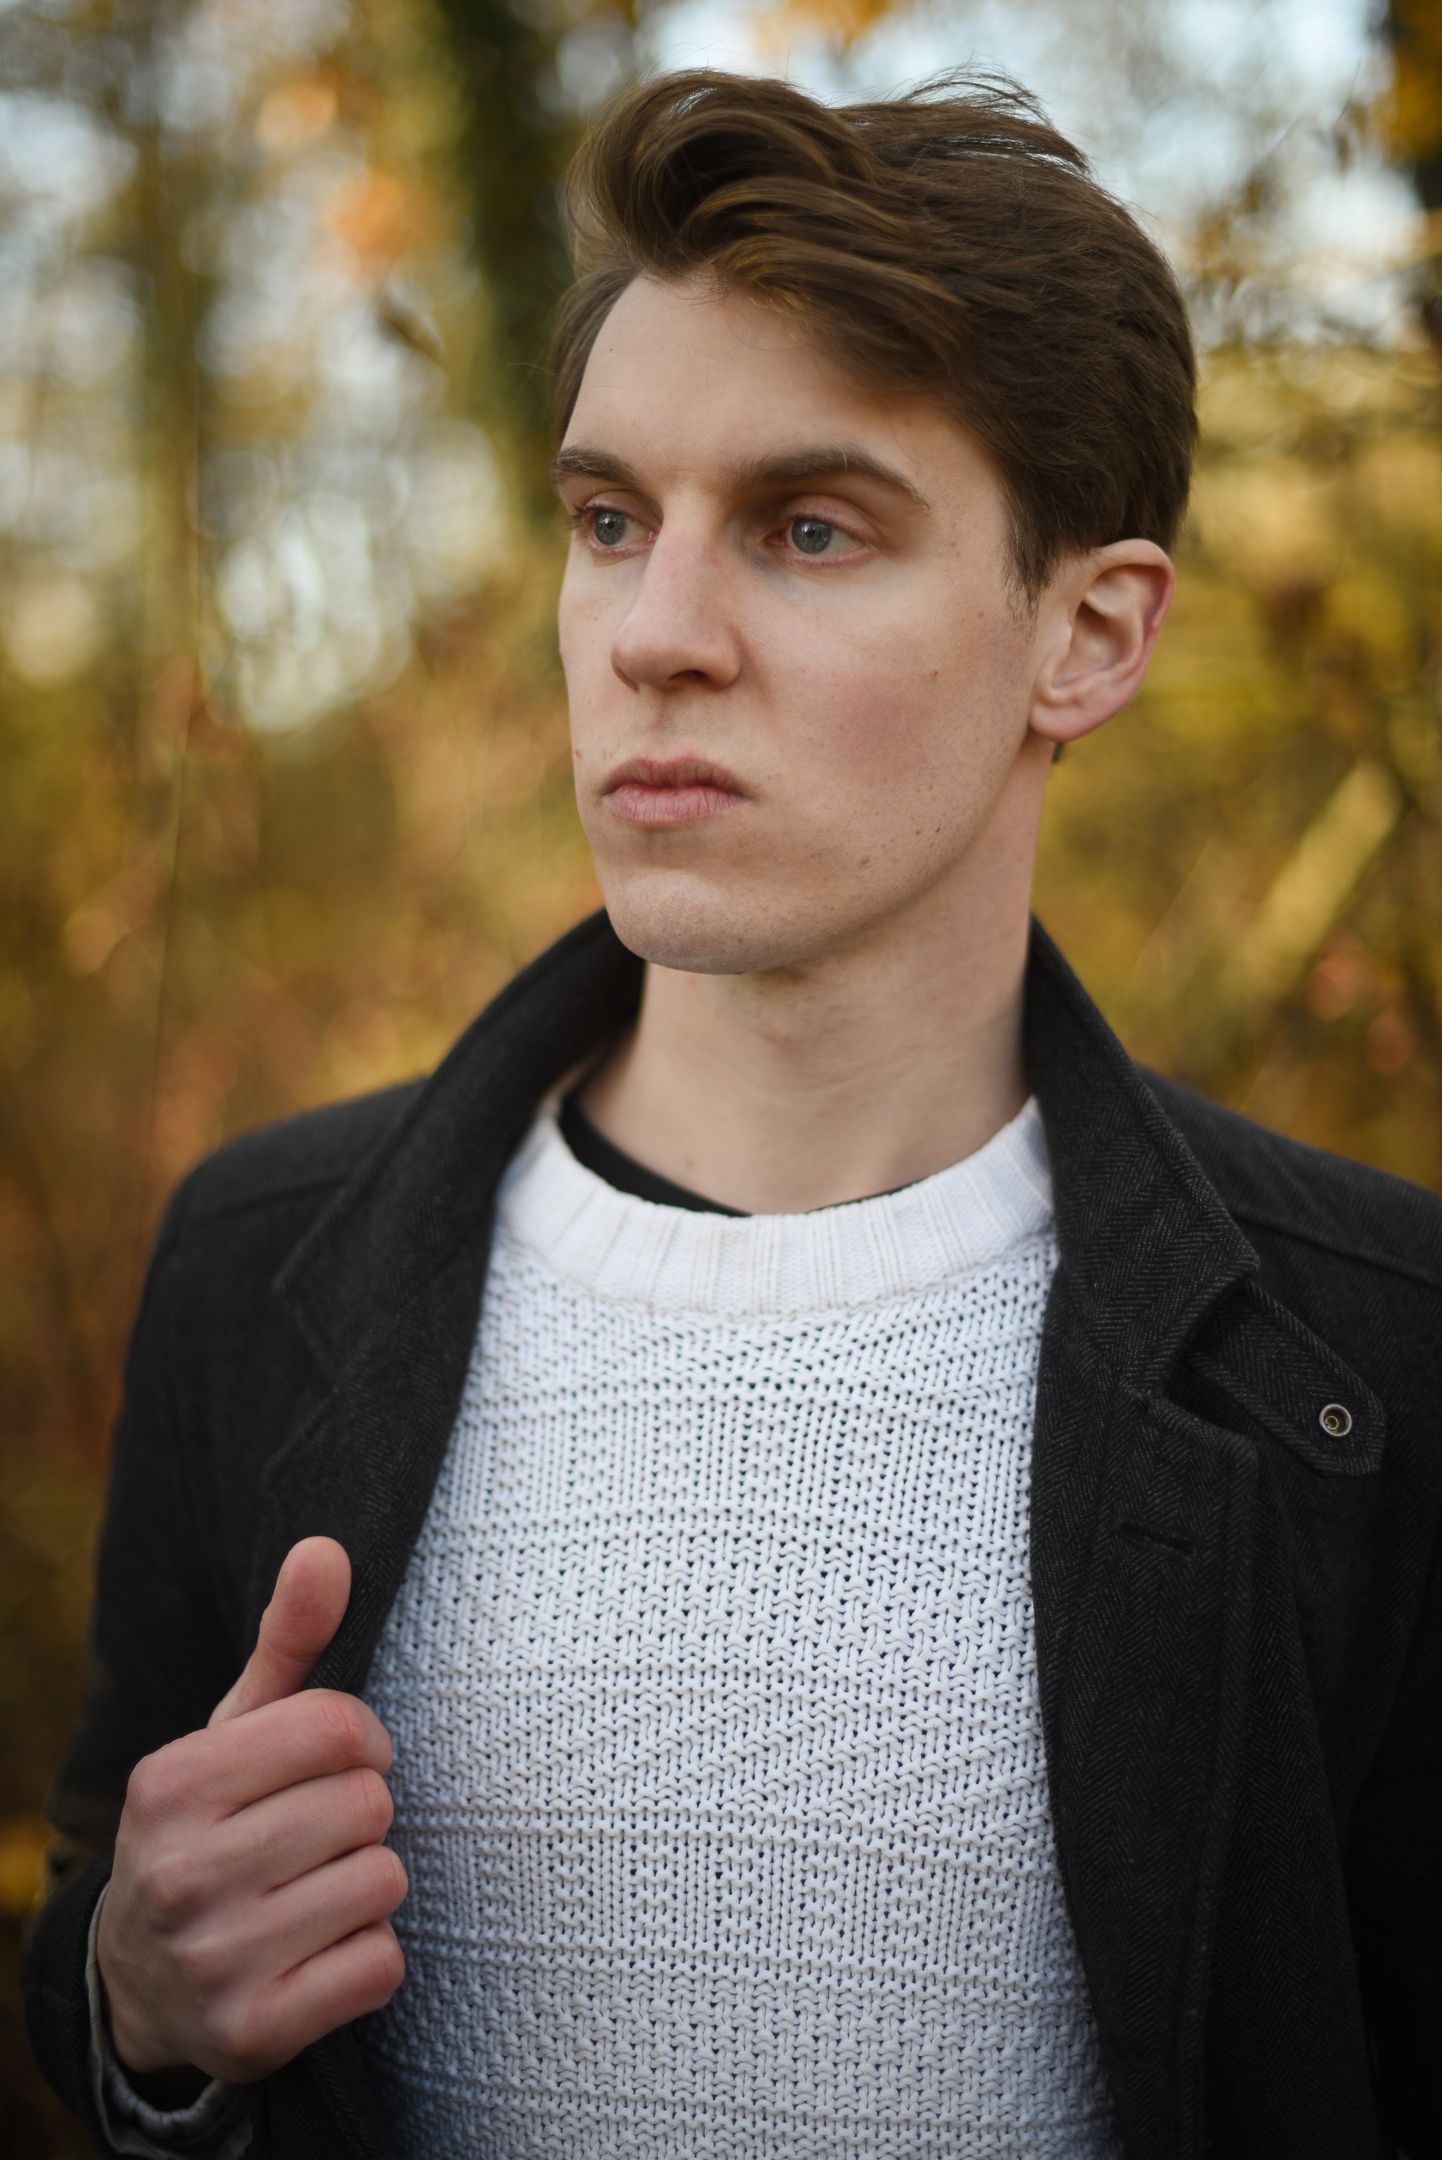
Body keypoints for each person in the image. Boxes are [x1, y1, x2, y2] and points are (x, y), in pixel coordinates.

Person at [21, 62, 1442, 2160]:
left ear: (1085, 635)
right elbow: (107, 1939)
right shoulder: (261, 1256)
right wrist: (141, 2017)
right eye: (610, 522)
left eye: (806, 528)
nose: (654, 637)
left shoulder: (1375, 1348)